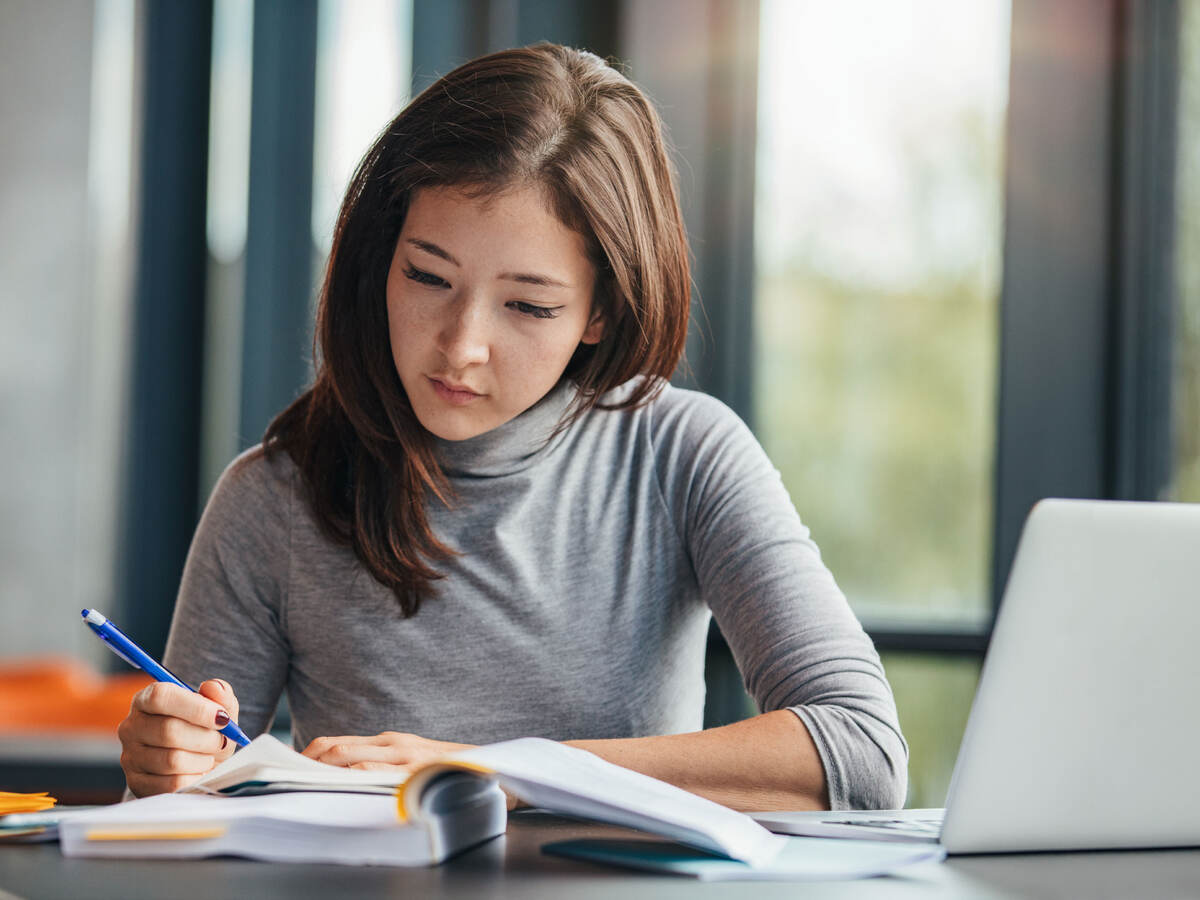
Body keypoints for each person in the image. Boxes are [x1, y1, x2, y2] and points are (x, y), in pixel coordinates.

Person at [116, 43, 907, 812]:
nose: (460, 346)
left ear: (601, 311)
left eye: (528, 305)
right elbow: (176, 822)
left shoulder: (682, 455)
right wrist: (166, 773)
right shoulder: (276, 498)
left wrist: (501, 771)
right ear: (380, 257)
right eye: (427, 275)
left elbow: (862, 752)